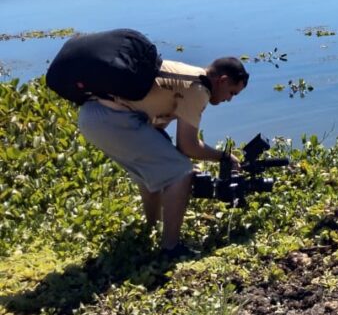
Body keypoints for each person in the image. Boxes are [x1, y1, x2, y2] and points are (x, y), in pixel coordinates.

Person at [77, 57, 249, 259]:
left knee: (156, 168)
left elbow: (158, 132)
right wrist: (225, 157)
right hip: (110, 119)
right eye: (232, 93)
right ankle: (171, 248)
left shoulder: (185, 74)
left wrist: (174, 156)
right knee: (181, 171)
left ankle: (152, 229)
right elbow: (188, 146)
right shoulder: (198, 89)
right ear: (222, 80)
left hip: (92, 115)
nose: (229, 99)